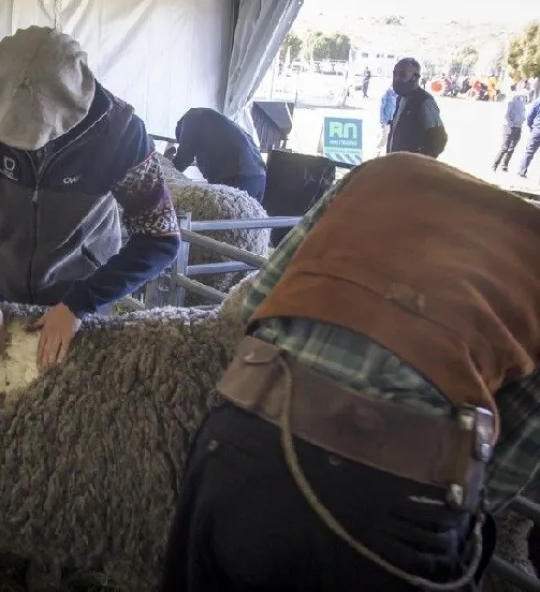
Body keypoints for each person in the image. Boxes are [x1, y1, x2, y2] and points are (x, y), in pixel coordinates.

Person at [159, 151, 540, 592]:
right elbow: (506, 471)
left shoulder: (387, 171)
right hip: (392, 506)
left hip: (242, 445)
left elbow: (255, 302)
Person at [0, 26, 181, 374]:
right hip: (1, 292)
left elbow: (159, 236)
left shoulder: (120, 130)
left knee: (78, 409)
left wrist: (80, 303)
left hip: (84, 303)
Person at [170, 107, 266, 202]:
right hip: (260, 177)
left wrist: (166, 173)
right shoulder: (217, 121)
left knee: (222, 213)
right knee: (250, 216)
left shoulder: (191, 118)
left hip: (236, 175)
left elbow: (185, 153)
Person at [386, 57, 447, 158]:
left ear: (415, 77)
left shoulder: (425, 102)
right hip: (396, 164)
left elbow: (440, 139)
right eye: (394, 74)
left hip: (411, 168)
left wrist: (421, 163)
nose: (396, 78)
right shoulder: (400, 99)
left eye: (402, 74)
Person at [493, 87, 527, 172]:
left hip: (518, 127)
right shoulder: (510, 102)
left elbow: (522, 114)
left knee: (512, 148)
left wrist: (522, 120)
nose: (523, 97)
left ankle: (504, 166)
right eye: (522, 95)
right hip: (509, 127)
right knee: (505, 148)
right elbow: (505, 115)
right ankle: (495, 165)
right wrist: (511, 124)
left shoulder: (522, 103)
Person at [516, 95, 540, 179]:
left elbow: (530, 116)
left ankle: (521, 171)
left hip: (537, 129)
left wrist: (531, 126)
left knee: (529, 151)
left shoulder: (538, 101)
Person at [376, 85, 397, 155]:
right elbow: (381, 108)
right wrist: (382, 120)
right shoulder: (386, 95)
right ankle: (377, 152)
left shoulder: (396, 95)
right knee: (383, 137)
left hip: (392, 120)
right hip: (385, 120)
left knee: (390, 138)